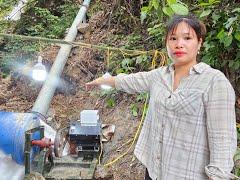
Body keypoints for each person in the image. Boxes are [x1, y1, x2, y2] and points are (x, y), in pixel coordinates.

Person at [86, 14, 238, 180]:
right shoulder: (160, 76)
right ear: (167, 43)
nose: (179, 44)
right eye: (173, 38)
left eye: (187, 38)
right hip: (154, 171)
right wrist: (104, 80)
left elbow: (223, 141)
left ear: (199, 42)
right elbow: (131, 81)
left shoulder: (214, 82)